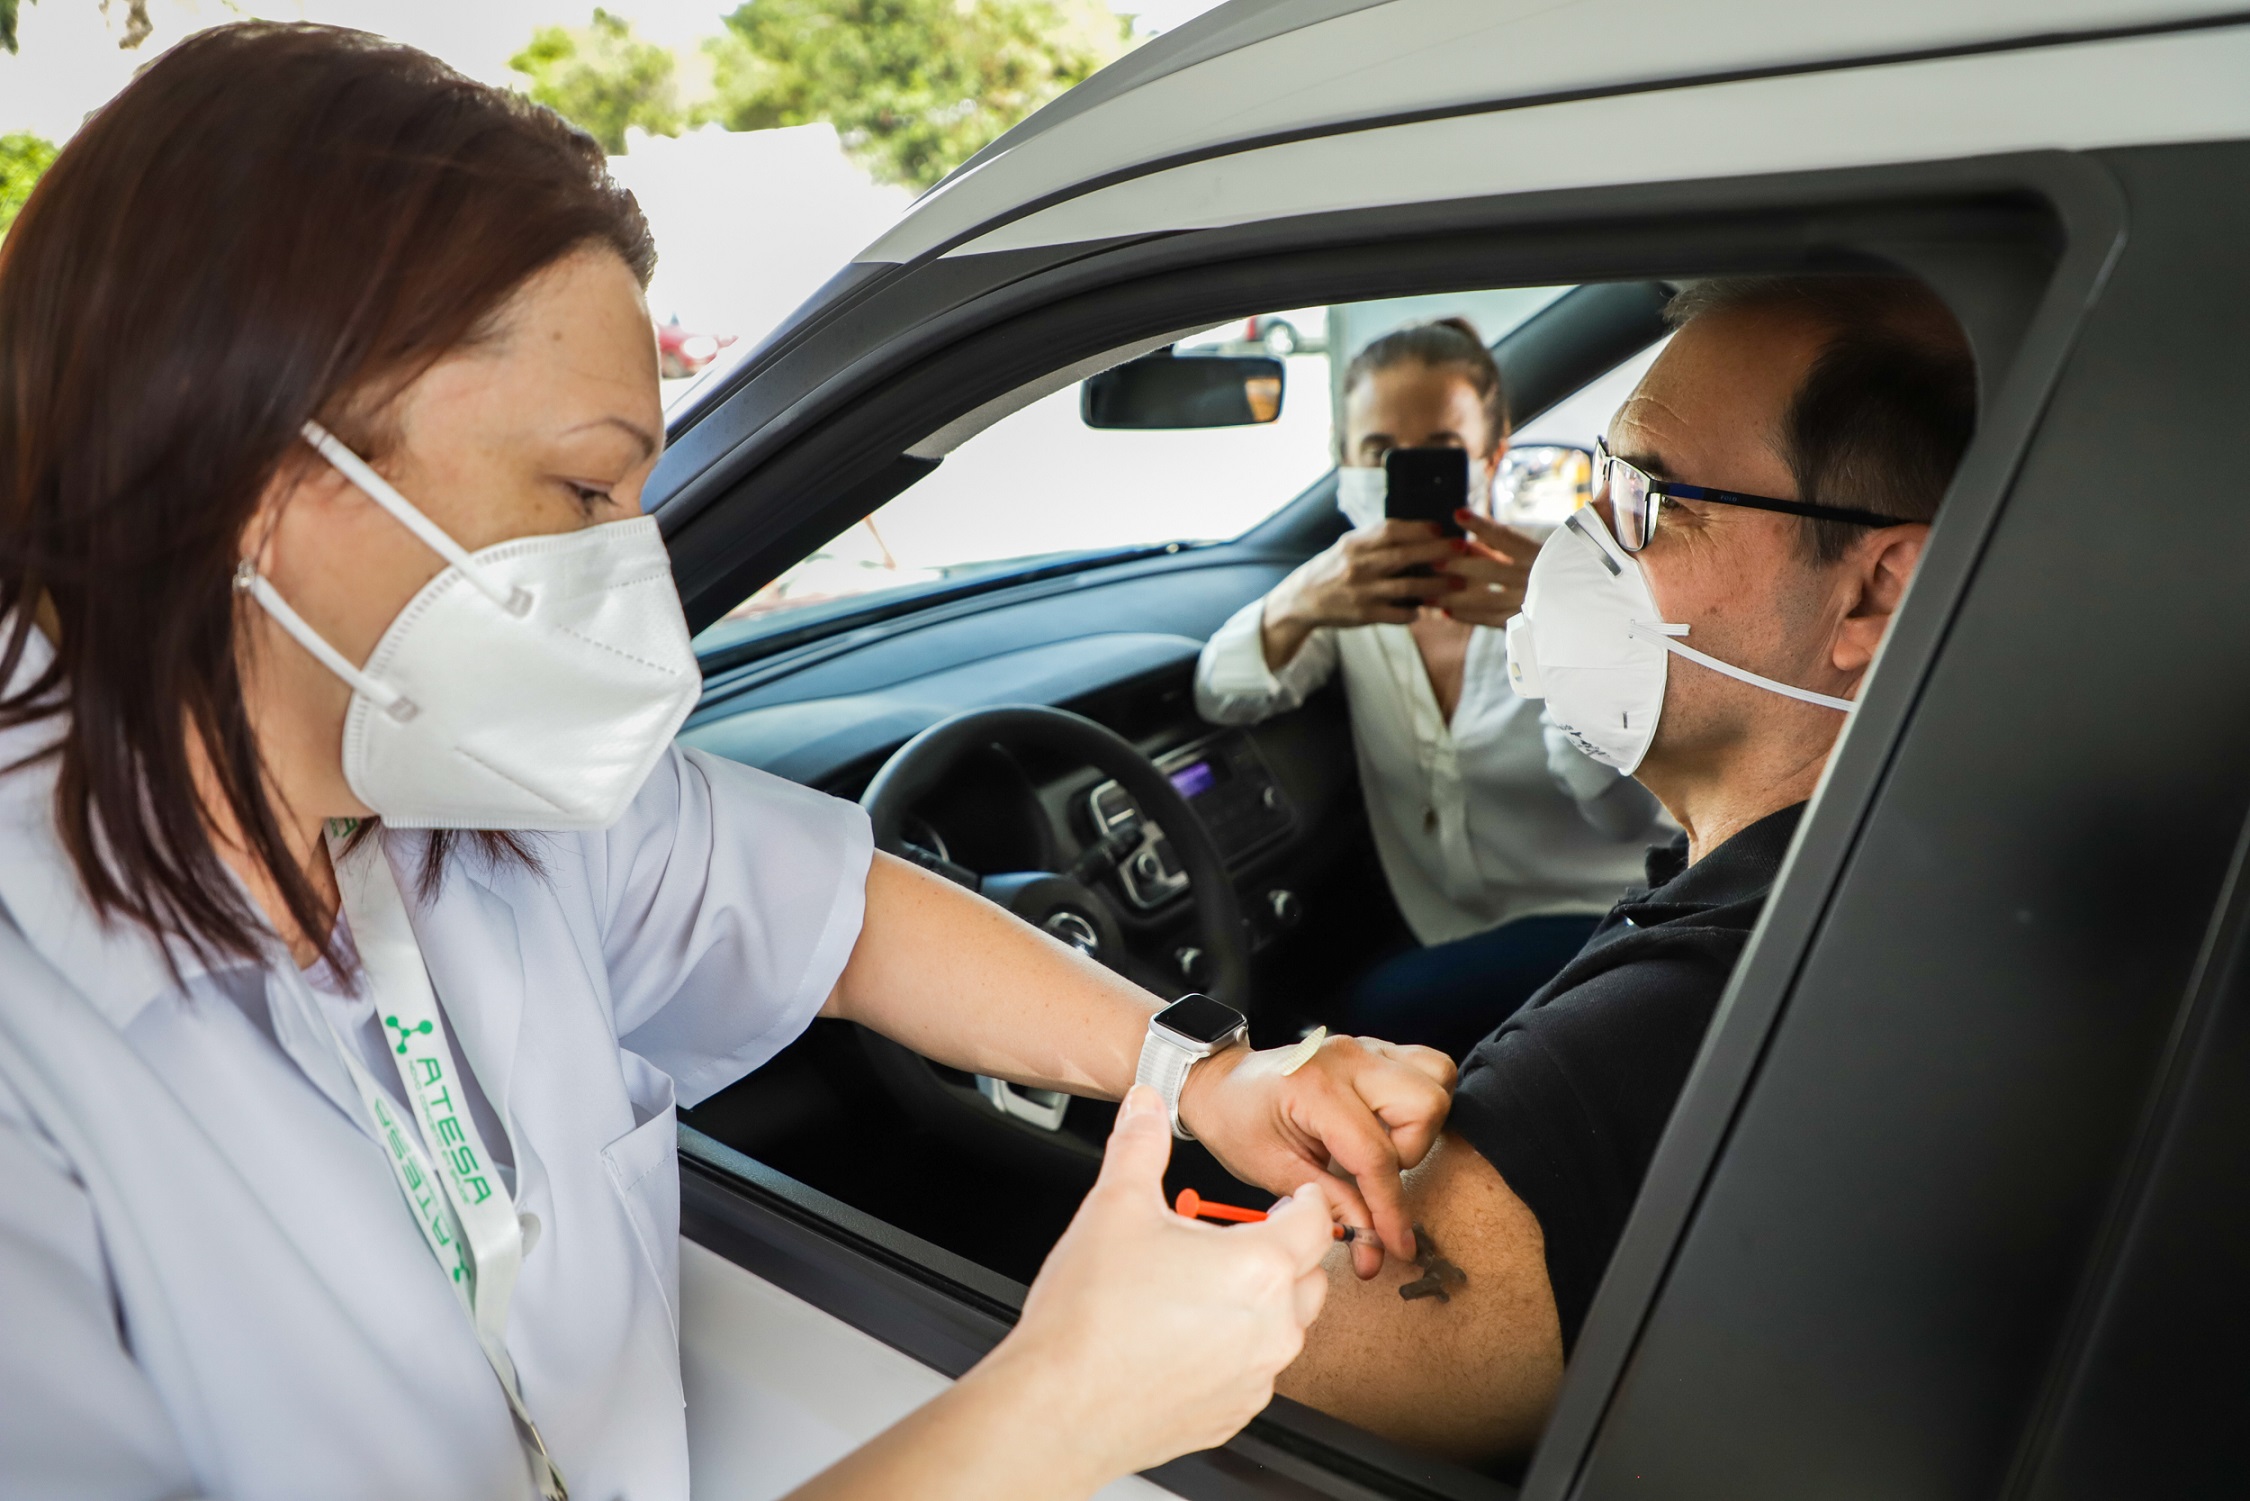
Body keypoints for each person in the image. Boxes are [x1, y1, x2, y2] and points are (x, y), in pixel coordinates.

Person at [0, 27, 1459, 1501]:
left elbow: (837, 916)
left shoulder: (448, 794)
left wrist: (1204, 1072)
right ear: (257, 472)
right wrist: (1059, 1414)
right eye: (584, 487)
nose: (631, 574)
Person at [1274, 276, 1978, 1463]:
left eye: (1650, 501)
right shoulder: (1909, 862)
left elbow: (1212, 1400)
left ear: (1872, 593)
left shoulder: (1638, 1054)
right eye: (1594, 483)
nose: (1580, 544)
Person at [1195, 319, 1667, 1058]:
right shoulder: (1346, 588)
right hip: (1448, 937)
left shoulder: (1569, 575)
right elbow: (1220, 692)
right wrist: (1298, 602)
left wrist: (1559, 632)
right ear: (1341, 458)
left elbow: (1620, 816)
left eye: (1439, 451)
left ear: (1493, 454)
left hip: (1612, 918)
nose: (1405, 472)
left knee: (1365, 1016)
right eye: (1379, 451)